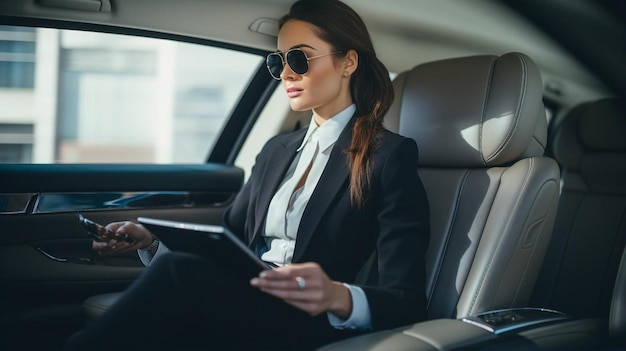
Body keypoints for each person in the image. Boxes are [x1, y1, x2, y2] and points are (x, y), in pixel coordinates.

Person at [64, 0, 429, 350]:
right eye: (279, 61)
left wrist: (336, 294)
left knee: (177, 277)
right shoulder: (277, 150)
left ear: (348, 62)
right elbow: (229, 243)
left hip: (305, 321)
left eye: (299, 58)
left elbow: (406, 299)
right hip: (244, 299)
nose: (286, 73)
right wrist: (151, 240)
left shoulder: (387, 156)